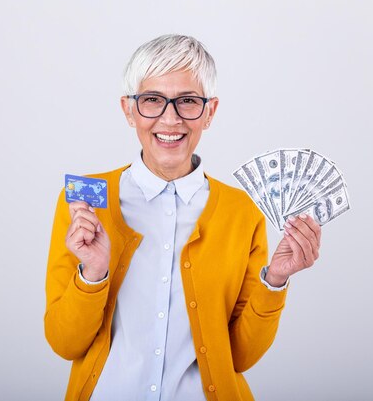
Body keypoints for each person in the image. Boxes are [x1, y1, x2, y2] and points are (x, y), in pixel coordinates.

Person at [44, 34, 322, 401]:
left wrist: (276, 281)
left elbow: (239, 356)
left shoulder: (243, 212)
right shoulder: (85, 202)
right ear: (129, 110)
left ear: (210, 112)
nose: (170, 118)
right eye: (153, 100)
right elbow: (65, 344)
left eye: (188, 101)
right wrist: (93, 274)